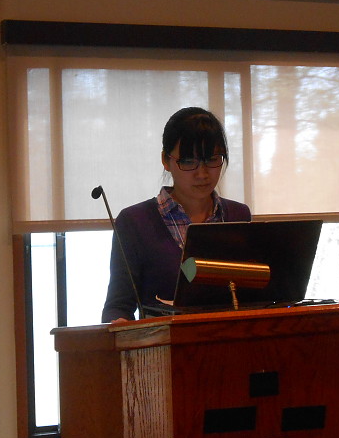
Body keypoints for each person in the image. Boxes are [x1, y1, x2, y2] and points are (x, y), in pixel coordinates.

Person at [101, 107, 251, 323]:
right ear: (166, 160)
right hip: (161, 342)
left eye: (211, 159)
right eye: (188, 161)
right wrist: (119, 325)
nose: (202, 173)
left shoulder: (238, 215)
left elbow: (252, 297)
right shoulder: (134, 222)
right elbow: (118, 306)